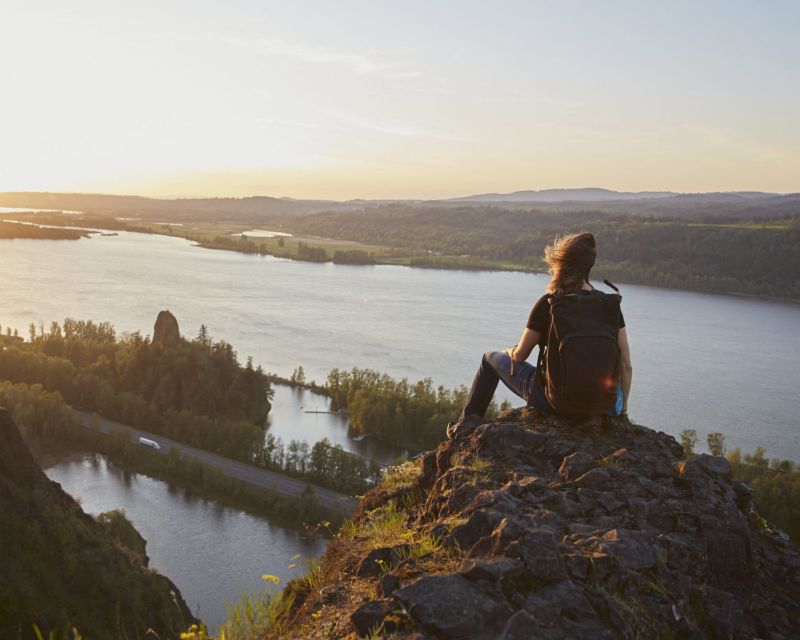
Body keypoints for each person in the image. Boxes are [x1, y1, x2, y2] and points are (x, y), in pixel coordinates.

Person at [447, 232, 633, 438]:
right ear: (589, 266)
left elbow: (520, 355)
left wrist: (510, 351)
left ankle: (463, 429)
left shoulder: (550, 303)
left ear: (561, 264)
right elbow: (626, 365)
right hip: (601, 406)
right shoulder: (610, 305)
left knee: (489, 359)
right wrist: (622, 412)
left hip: (555, 402)